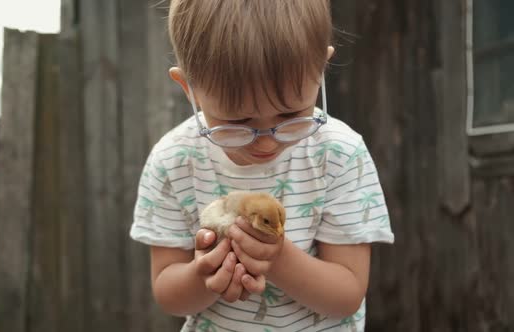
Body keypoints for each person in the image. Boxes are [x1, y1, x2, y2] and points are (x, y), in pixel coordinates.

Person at [130, 1, 394, 331]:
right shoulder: (174, 160)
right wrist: (204, 275)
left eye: (290, 116)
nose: (267, 141)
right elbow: (169, 296)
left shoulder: (339, 154)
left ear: (320, 71)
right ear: (189, 90)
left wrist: (278, 259)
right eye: (237, 121)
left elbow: (347, 295)